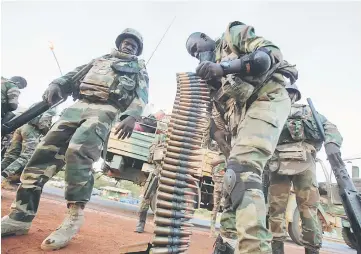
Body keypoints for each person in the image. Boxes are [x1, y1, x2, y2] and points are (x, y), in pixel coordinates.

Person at [1, 28, 149, 251]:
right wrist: (57, 83)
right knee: (42, 153)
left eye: (134, 45)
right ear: (119, 43)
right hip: (76, 107)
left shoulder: (138, 67)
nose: (129, 46)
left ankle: (73, 218)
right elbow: (73, 75)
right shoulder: (99, 60)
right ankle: (19, 217)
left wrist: (132, 116)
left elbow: (142, 94)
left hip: (106, 109)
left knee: (78, 153)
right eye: (126, 42)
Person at [186, 21, 298, 253]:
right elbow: (215, 115)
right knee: (232, 181)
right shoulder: (208, 73)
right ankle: (229, 243)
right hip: (240, 120)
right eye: (193, 54)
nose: (196, 53)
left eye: (195, 47)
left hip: (267, 99)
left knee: (242, 172)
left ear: (205, 37)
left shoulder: (232, 35)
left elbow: (266, 57)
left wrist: (224, 68)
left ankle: (253, 249)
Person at [267, 83, 343, 254]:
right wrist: (332, 143)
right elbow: (331, 128)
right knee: (307, 209)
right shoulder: (309, 112)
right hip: (303, 162)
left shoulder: (274, 110)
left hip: (279, 164)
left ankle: (277, 249)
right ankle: (311, 248)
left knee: (277, 210)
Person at [1, 108, 55, 189]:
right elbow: (42, 123)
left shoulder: (42, 102)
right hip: (32, 130)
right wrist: (47, 131)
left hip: (22, 126)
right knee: (27, 156)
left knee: (11, 156)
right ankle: (3, 177)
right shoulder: (52, 107)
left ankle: (4, 179)